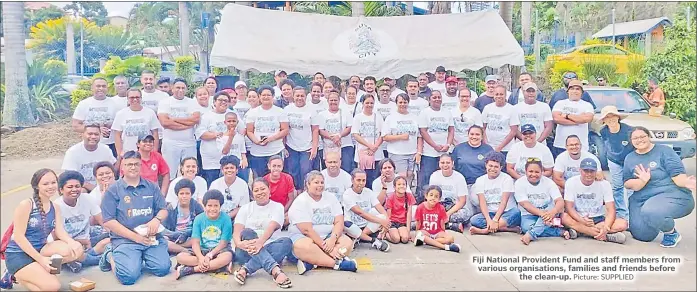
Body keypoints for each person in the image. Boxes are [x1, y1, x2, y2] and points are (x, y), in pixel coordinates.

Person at [2, 169, 84, 291]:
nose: (50, 186)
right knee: (53, 287)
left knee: (74, 251)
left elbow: (60, 231)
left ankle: (38, 273)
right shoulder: (26, 205)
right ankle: (13, 273)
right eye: (45, 184)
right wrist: (41, 260)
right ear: (36, 186)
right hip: (19, 254)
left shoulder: (55, 207)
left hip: (41, 250)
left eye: (53, 182)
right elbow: (18, 236)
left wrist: (73, 243)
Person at [99, 151, 171, 285]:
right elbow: (109, 221)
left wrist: (157, 219)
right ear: (122, 167)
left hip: (151, 238)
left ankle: (141, 257)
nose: (133, 167)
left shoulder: (151, 186)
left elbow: (163, 209)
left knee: (163, 269)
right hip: (126, 240)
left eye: (136, 164)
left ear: (141, 166)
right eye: (129, 164)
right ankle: (110, 255)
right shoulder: (113, 190)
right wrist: (136, 238)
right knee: (128, 277)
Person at [623, 127, 696, 247]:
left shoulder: (664, 151)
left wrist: (687, 182)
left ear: (649, 137)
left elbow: (678, 177)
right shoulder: (630, 158)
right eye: (635, 138)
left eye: (643, 136)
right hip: (642, 197)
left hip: (670, 194)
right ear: (631, 141)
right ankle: (657, 220)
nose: (640, 140)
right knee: (641, 235)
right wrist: (642, 181)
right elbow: (627, 183)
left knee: (651, 211)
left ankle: (671, 233)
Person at [287, 171, 358, 275]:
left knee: (347, 243)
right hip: (305, 237)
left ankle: (312, 263)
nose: (320, 185)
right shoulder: (300, 201)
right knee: (304, 247)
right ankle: (338, 264)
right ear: (307, 184)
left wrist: (333, 239)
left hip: (329, 237)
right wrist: (327, 248)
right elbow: (307, 230)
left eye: (322, 182)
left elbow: (339, 221)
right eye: (316, 182)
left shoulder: (331, 197)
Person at [232, 179, 293, 288]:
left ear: (269, 190)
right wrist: (239, 243)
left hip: (270, 246)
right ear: (252, 194)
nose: (260, 192)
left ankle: (246, 269)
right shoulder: (246, 208)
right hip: (246, 251)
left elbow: (272, 226)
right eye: (256, 190)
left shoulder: (277, 207)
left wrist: (260, 242)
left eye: (263, 189)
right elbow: (237, 230)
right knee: (247, 232)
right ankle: (275, 270)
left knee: (287, 242)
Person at [562, 158, 627, 244]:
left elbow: (611, 210)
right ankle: (605, 236)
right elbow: (569, 207)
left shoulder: (604, 184)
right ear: (580, 170)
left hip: (598, 219)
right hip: (578, 217)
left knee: (623, 223)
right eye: (586, 171)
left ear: (596, 171)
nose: (589, 174)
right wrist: (581, 220)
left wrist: (606, 227)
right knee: (564, 217)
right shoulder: (571, 182)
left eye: (591, 171)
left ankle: (582, 232)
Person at [173, 190, 234, 280]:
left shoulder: (226, 218)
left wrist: (210, 255)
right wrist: (201, 258)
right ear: (204, 206)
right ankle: (218, 267)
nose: (212, 209)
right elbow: (195, 242)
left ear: (220, 206)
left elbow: (223, 243)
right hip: (202, 249)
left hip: (219, 250)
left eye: (216, 206)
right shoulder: (199, 219)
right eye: (209, 206)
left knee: (227, 257)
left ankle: (191, 270)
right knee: (180, 257)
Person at [53, 171, 107, 271]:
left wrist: (114, 233)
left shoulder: (87, 198)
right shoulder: (56, 206)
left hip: (87, 239)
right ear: (61, 190)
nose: (74, 189)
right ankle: (98, 258)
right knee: (69, 252)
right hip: (67, 243)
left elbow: (103, 221)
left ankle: (80, 259)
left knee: (111, 237)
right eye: (70, 187)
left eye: (77, 186)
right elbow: (56, 237)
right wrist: (80, 242)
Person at [514, 159, 570, 245]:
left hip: (549, 212)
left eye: (537, 172)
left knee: (532, 228)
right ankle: (558, 231)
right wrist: (542, 214)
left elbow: (560, 201)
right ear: (525, 171)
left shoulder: (549, 183)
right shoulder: (519, 183)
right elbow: (525, 204)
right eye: (530, 171)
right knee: (526, 228)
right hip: (529, 214)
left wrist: (553, 212)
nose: (533, 174)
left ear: (542, 172)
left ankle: (531, 234)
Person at [469, 152, 521, 235]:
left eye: (496, 167)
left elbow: (504, 202)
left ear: (501, 167)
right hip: (491, 213)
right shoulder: (480, 180)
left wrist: (495, 220)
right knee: (474, 220)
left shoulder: (507, 179)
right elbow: (482, 202)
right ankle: (506, 229)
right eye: (490, 166)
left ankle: (485, 230)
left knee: (516, 212)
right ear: (486, 165)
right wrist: (489, 220)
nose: (493, 169)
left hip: (506, 212)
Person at [157, 78, 202, 176]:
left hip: (189, 143)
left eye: (183, 88)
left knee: (189, 172)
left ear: (186, 89)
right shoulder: (165, 102)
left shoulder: (193, 102)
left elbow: (196, 119)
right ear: (172, 88)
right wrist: (188, 124)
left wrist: (173, 119)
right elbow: (165, 122)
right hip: (170, 144)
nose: (180, 90)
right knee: (169, 173)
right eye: (178, 87)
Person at [598, 106, 634, 221]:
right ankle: (621, 214)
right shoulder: (603, 131)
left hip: (630, 160)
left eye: (612, 116)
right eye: (607, 117)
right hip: (613, 160)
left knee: (630, 187)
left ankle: (633, 214)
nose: (611, 119)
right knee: (617, 187)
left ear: (618, 117)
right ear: (604, 120)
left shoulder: (629, 131)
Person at [342, 169, 391, 252]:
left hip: (366, 226)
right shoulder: (347, 194)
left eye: (363, 180)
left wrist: (386, 221)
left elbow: (379, 207)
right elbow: (360, 213)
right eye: (358, 180)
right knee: (345, 223)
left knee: (382, 216)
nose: (361, 183)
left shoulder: (368, 192)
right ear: (352, 180)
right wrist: (382, 222)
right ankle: (372, 240)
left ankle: (357, 238)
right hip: (353, 225)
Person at [246, 85, 290, 178]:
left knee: (276, 178)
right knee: (259, 179)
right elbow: (249, 131)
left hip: (275, 151)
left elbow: (285, 130)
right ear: (259, 96)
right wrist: (256, 141)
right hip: (257, 153)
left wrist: (270, 139)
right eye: (263, 95)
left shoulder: (280, 111)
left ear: (273, 96)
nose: (266, 97)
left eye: (268, 95)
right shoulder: (252, 113)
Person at [417, 90, 454, 200]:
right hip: (429, 153)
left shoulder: (447, 112)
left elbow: (451, 130)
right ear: (429, 99)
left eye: (439, 97)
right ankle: (424, 201)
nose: (437, 99)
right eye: (434, 97)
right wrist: (434, 146)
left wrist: (448, 144)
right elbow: (423, 131)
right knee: (427, 179)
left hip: (444, 152)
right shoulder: (424, 113)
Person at [284, 87, 320, 192]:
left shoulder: (311, 110)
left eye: (302, 96)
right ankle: (295, 193)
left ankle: (307, 192)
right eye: (297, 96)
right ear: (293, 96)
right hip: (291, 146)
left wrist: (314, 148)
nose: (300, 98)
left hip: (307, 147)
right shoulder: (287, 110)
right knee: (293, 171)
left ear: (306, 96)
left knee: (306, 171)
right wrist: (284, 146)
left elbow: (315, 130)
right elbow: (284, 129)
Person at [62, 124, 117, 192]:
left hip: (104, 185)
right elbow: (71, 177)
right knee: (81, 191)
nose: (93, 137)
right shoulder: (72, 152)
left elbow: (112, 170)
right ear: (82, 135)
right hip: (83, 186)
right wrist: (94, 189)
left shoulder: (105, 149)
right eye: (90, 134)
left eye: (96, 134)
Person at [451, 125, 494, 212]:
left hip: (479, 185)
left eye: (477, 134)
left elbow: (493, 169)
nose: (474, 137)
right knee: (466, 211)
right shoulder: (459, 149)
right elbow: (453, 167)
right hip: (462, 185)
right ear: (468, 135)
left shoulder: (488, 149)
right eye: (472, 134)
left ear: (482, 136)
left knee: (476, 200)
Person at [72, 77, 119, 157]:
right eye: (98, 86)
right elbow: (75, 126)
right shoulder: (84, 104)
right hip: (90, 145)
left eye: (103, 86)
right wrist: (97, 130)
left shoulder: (115, 103)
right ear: (92, 88)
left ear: (107, 88)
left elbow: (120, 125)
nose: (101, 88)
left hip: (111, 144)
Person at [428, 154, 473, 232]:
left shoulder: (459, 177)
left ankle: (437, 223)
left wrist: (447, 214)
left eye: (448, 163)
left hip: (455, 207)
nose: (445, 165)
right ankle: (450, 225)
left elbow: (462, 201)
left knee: (465, 214)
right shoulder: (434, 176)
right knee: (427, 213)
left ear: (452, 163)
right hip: (440, 206)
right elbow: (431, 197)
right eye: (442, 163)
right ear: (439, 164)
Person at [112, 88, 162, 156]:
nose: (135, 99)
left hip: (146, 153)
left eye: (137, 97)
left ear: (141, 98)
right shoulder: (121, 114)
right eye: (132, 97)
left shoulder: (150, 112)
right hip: (128, 153)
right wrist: (120, 152)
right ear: (127, 99)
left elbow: (155, 134)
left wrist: (154, 151)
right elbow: (117, 135)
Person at [551, 80, 594, 157]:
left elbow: (588, 119)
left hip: (580, 146)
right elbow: (556, 118)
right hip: (561, 144)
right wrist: (579, 120)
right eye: (572, 89)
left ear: (582, 92)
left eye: (577, 89)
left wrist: (567, 116)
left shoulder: (587, 105)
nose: (575, 91)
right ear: (568, 91)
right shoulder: (560, 103)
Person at [197, 91, 232, 185]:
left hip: (229, 159)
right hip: (211, 161)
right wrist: (216, 135)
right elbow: (201, 134)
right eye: (220, 100)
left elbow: (242, 130)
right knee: (213, 186)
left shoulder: (232, 114)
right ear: (214, 102)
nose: (223, 102)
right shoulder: (206, 116)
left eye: (226, 100)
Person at [411, 185, 461, 253]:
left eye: (436, 196)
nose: (433, 198)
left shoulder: (441, 208)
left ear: (439, 199)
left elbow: (442, 222)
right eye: (431, 195)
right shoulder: (420, 207)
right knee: (420, 234)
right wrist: (417, 232)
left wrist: (443, 233)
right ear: (426, 196)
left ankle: (428, 242)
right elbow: (418, 222)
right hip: (426, 232)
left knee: (450, 238)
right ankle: (445, 247)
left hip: (437, 232)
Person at [382, 93, 420, 179]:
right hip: (397, 153)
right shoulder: (390, 118)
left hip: (412, 153)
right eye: (400, 102)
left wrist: (419, 152)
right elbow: (385, 137)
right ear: (396, 103)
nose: (403, 104)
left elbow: (419, 136)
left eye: (405, 102)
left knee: (411, 176)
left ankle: (409, 192)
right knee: (401, 177)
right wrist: (400, 137)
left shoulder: (414, 117)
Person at [163, 178, 204, 254]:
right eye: (181, 194)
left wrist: (186, 234)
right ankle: (185, 251)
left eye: (187, 193)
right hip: (174, 237)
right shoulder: (171, 207)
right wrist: (174, 235)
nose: (184, 196)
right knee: (163, 240)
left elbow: (202, 226)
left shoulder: (197, 207)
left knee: (199, 239)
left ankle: (176, 248)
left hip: (190, 237)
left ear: (191, 194)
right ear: (177, 194)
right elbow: (163, 228)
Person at [351, 93, 384, 185]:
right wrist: (369, 146)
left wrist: (375, 147)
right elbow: (356, 134)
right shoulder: (358, 117)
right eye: (367, 103)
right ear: (362, 103)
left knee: (376, 179)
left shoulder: (378, 117)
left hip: (377, 154)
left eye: (371, 103)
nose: (369, 105)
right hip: (362, 153)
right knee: (364, 178)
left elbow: (382, 134)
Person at [318, 91, 354, 173]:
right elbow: (320, 130)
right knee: (328, 169)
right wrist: (333, 138)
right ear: (327, 101)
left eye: (335, 100)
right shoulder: (322, 114)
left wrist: (339, 136)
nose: (333, 102)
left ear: (339, 101)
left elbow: (349, 127)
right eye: (331, 100)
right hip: (328, 146)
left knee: (346, 168)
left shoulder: (346, 112)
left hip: (344, 145)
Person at [208, 155, 250, 223]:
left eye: (232, 168)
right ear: (222, 170)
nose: (229, 170)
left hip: (235, 217)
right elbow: (209, 204)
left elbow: (243, 207)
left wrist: (228, 216)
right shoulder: (215, 184)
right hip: (216, 216)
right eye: (226, 168)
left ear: (236, 170)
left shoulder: (243, 184)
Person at [482, 85, 520, 157]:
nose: (499, 96)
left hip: (506, 149)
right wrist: (486, 144)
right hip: (489, 148)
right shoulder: (487, 108)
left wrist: (500, 147)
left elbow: (513, 131)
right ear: (493, 95)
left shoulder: (512, 109)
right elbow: (483, 128)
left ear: (505, 95)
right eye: (496, 94)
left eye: (501, 94)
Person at [218, 111, 249, 182]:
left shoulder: (240, 136)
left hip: (239, 165)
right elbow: (224, 151)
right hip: (226, 165)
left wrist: (244, 160)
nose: (231, 123)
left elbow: (242, 151)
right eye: (229, 121)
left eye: (233, 121)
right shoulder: (221, 138)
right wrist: (231, 137)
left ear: (237, 122)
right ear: (225, 122)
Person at [264, 155, 296, 225]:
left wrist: (282, 212)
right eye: (274, 166)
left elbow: (291, 199)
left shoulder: (288, 178)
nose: (276, 168)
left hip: (284, 210)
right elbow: (264, 201)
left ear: (282, 167)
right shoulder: (264, 180)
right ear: (269, 166)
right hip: (269, 211)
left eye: (279, 166)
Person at [384, 176, 416, 244]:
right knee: (396, 239)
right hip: (392, 222)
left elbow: (409, 214)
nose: (401, 186)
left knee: (405, 239)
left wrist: (408, 230)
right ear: (394, 187)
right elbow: (388, 215)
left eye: (403, 184)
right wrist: (386, 228)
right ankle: (386, 235)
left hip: (402, 223)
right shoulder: (391, 197)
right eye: (399, 184)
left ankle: (400, 232)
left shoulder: (409, 196)